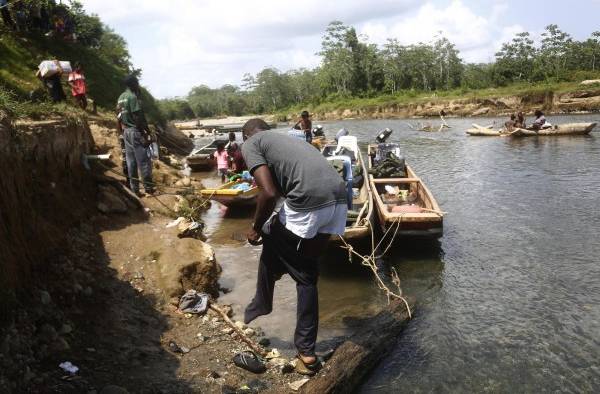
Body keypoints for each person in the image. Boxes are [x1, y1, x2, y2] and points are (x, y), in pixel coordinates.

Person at [241, 118, 347, 376]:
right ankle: (307, 354)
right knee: (308, 274)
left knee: (268, 230)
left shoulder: (252, 143)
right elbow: (278, 188)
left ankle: (263, 301)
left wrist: (255, 227)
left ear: (247, 136)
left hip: (309, 199)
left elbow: (268, 193)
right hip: (341, 197)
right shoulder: (288, 138)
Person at [117, 74, 154, 196]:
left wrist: (121, 132)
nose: (138, 85)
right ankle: (149, 188)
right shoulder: (132, 98)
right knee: (143, 160)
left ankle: (135, 189)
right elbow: (137, 117)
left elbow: (118, 116)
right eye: (137, 83)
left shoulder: (121, 97)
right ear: (133, 84)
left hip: (126, 132)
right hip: (135, 131)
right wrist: (145, 132)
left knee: (131, 161)